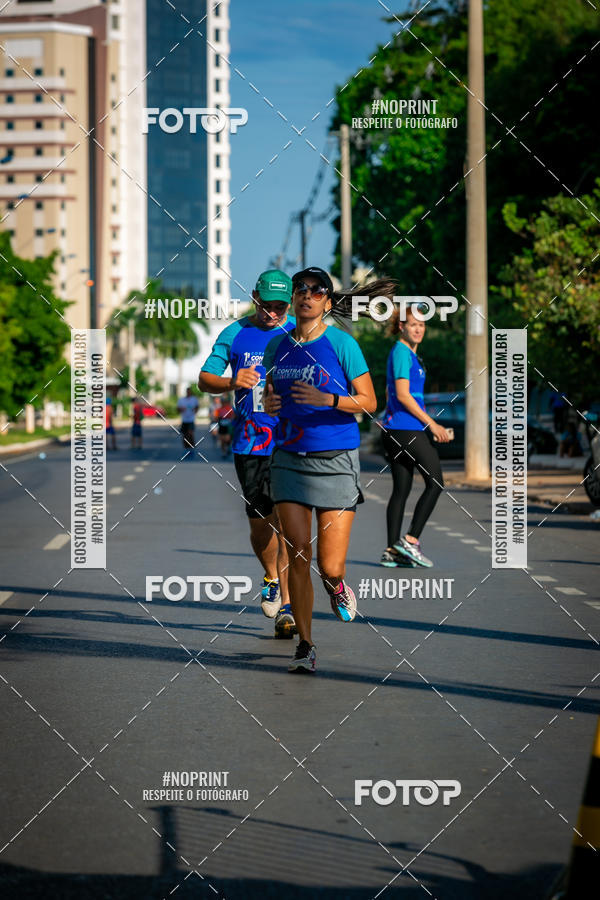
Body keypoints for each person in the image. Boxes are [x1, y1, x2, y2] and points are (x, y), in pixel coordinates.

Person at [263, 266, 377, 674]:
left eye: (316, 291)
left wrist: (328, 399)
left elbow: (369, 402)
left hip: (336, 461)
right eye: (301, 289)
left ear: (327, 302)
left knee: (330, 566)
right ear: (293, 298)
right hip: (289, 459)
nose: (307, 296)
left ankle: (337, 587)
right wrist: (269, 404)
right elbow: (269, 395)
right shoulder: (277, 346)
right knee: (297, 552)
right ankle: (306, 645)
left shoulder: (342, 343)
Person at [198, 269, 296, 638]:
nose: (273, 313)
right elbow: (204, 379)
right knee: (261, 523)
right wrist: (232, 381)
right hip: (250, 443)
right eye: (266, 305)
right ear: (254, 297)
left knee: (288, 524)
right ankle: (271, 576)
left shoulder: (300, 332)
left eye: (279, 307)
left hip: (292, 441)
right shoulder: (235, 333)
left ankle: (287, 606)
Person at [379, 305, 451, 569]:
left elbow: (391, 393)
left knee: (402, 489)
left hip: (396, 429)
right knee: (436, 482)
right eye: (413, 325)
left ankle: (391, 550)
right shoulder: (401, 352)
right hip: (406, 430)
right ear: (402, 327)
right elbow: (402, 394)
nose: (418, 329)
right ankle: (410, 540)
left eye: (421, 325)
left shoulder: (408, 354)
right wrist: (432, 424)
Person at [177, 387, 200, 458]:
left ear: (191, 392)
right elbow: (177, 409)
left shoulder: (194, 399)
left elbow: (197, 407)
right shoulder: (182, 400)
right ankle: (186, 449)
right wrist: (181, 409)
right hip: (184, 420)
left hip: (191, 420)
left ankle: (191, 448)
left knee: (190, 434)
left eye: (190, 391)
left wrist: (195, 411)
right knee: (184, 435)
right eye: (187, 391)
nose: (188, 393)